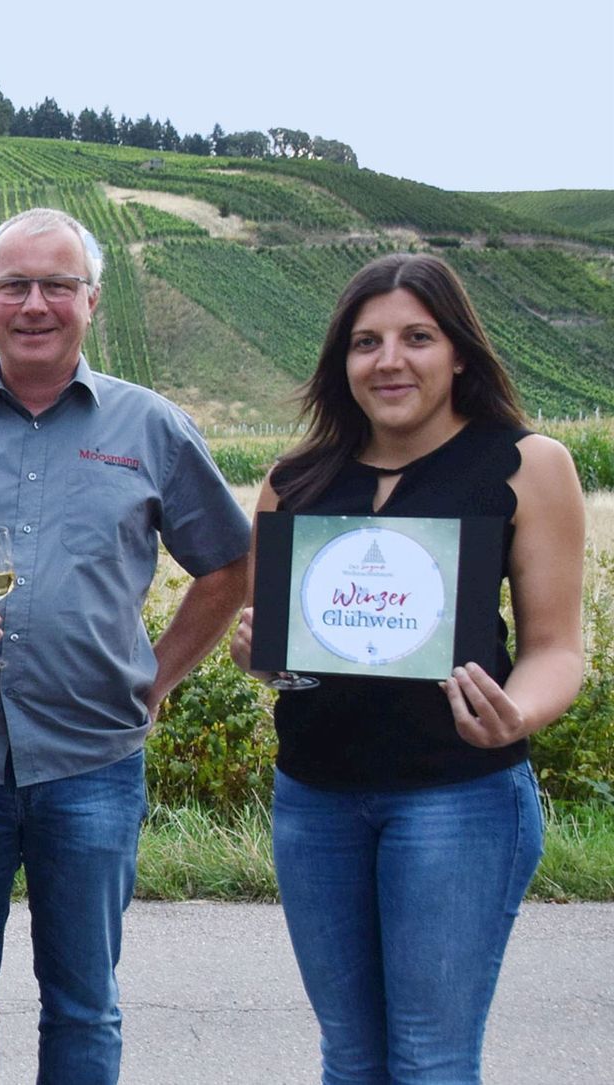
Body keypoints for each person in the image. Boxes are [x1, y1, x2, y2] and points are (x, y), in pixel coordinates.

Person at [0, 207, 252, 1084]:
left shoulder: (153, 429)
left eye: (57, 285)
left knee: (82, 1000)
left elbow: (230, 566)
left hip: (92, 757)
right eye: (14, 285)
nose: (35, 303)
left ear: (91, 300)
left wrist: (159, 675)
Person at [230, 253, 584, 1083]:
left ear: (458, 351)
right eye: (366, 341)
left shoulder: (528, 465)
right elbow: (290, 651)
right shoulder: (294, 480)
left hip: (459, 796)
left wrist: (518, 711)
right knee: (350, 1057)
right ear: (341, 362)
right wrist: (263, 658)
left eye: (416, 337)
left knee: (430, 1058)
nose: (389, 360)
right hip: (313, 798)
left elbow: (557, 647)